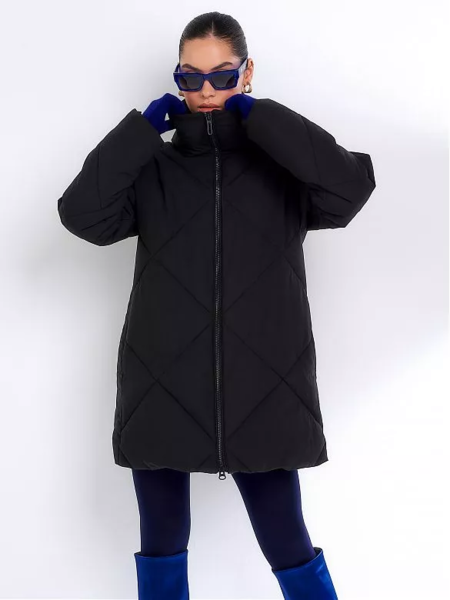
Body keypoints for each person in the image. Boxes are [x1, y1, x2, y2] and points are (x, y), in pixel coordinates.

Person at [57, 11, 375, 600]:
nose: (206, 91)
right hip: (161, 381)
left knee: (288, 540)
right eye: (191, 76)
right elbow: (82, 216)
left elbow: (349, 188)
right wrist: (140, 130)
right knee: (161, 543)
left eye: (224, 76)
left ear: (247, 73)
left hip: (264, 383)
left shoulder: (282, 166)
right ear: (176, 79)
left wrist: (264, 118)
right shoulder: (153, 168)